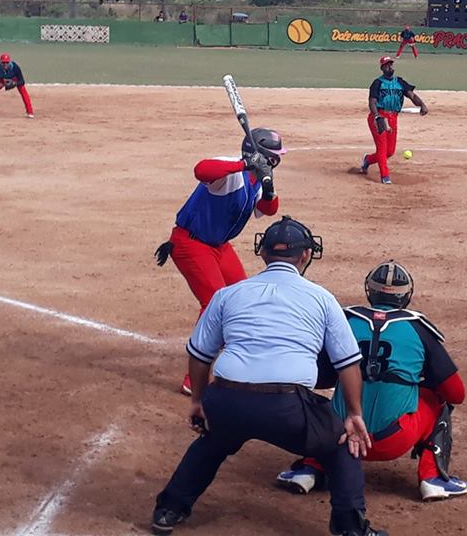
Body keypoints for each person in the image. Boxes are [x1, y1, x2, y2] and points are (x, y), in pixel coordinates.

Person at [151, 216, 388, 536]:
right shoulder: (321, 298)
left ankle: (168, 510)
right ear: (306, 255)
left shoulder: (228, 294)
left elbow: (200, 355)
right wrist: (355, 414)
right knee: (343, 442)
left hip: (227, 399)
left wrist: (198, 401)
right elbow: (347, 364)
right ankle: (350, 528)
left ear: (262, 253)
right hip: (286, 407)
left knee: (213, 440)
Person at [277, 261, 467, 501]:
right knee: (436, 398)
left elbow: (319, 377)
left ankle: (309, 468)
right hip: (393, 440)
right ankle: (433, 478)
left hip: (341, 437)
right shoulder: (419, 329)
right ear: (406, 295)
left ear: (370, 291)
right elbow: (456, 394)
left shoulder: (346, 320)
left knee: (320, 405)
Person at [154, 128, 285, 395]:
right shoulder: (232, 172)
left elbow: (268, 210)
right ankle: (194, 380)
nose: (277, 161)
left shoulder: (256, 179)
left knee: (243, 299)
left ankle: (242, 359)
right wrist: (245, 164)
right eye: (274, 156)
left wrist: (269, 189)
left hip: (219, 247)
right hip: (191, 243)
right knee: (214, 304)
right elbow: (201, 170)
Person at [360, 56, 428, 185]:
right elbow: (372, 102)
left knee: (389, 152)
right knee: (382, 148)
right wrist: (376, 116)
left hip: (393, 118)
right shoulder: (377, 83)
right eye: (386, 65)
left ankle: (367, 160)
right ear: (382, 68)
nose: (389, 67)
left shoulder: (400, 82)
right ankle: (385, 176)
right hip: (379, 117)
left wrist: (422, 105)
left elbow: (412, 95)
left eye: (390, 65)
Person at [0, 52, 34, 118]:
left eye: (7, 62)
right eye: (3, 62)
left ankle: (30, 111)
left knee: (23, 92)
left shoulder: (15, 67)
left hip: (14, 79)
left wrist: (14, 83)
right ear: (0, 62)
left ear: (9, 62)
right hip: (0, 79)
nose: (5, 64)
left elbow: (22, 81)